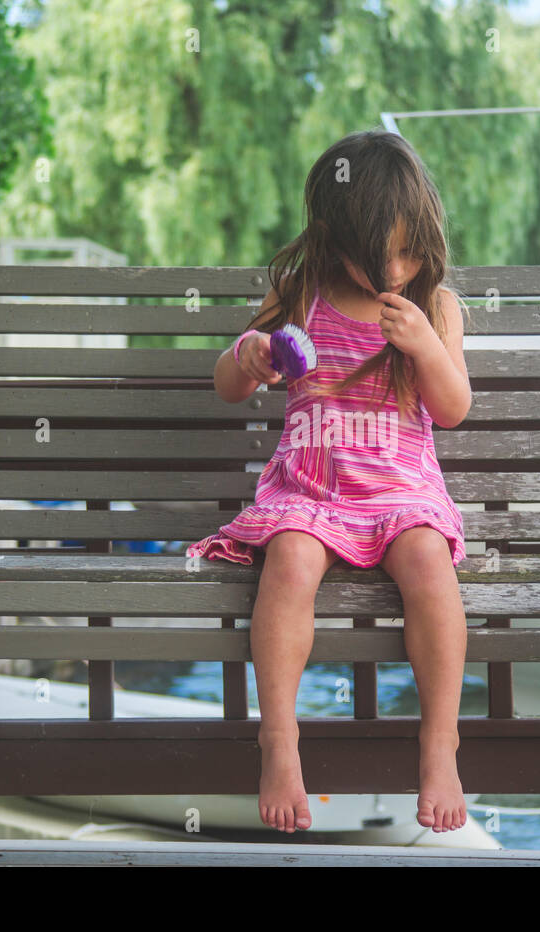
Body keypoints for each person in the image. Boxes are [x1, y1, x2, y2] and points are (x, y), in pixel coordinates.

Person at [186, 129, 471, 836]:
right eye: (378, 256)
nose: (396, 269)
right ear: (332, 237)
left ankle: (440, 742)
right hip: (312, 489)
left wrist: (426, 349)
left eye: (409, 251)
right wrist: (250, 355)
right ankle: (279, 740)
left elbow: (453, 409)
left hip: (400, 490)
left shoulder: (434, 308)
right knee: (287, 560)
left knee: (430, 563)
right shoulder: (301, 295)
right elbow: (227, 383)